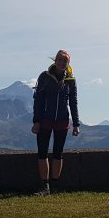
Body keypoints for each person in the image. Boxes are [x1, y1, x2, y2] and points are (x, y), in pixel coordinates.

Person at [31, 49, 80, 195]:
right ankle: (44, 186)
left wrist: (76, 124)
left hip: (62, 121)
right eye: (59, 59)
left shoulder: (71, 80)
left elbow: (73, 102)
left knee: (58, 153)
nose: (62, 63)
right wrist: (36, 121)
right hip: (45, 120)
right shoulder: (44, 76)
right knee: (42, 153)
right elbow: (38, 100)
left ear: (68, 63)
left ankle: (55, 185)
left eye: (65, 61)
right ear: (55, 60)